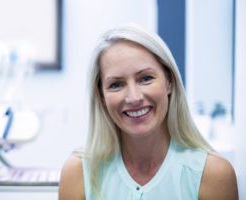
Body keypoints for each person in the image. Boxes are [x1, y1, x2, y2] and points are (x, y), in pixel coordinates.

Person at [58, 24, 239, 200]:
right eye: (116, 84)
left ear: (169, 81)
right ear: (102, 96)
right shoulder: (78, 173)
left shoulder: (213, 175)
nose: (134, 97)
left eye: (145, 78)